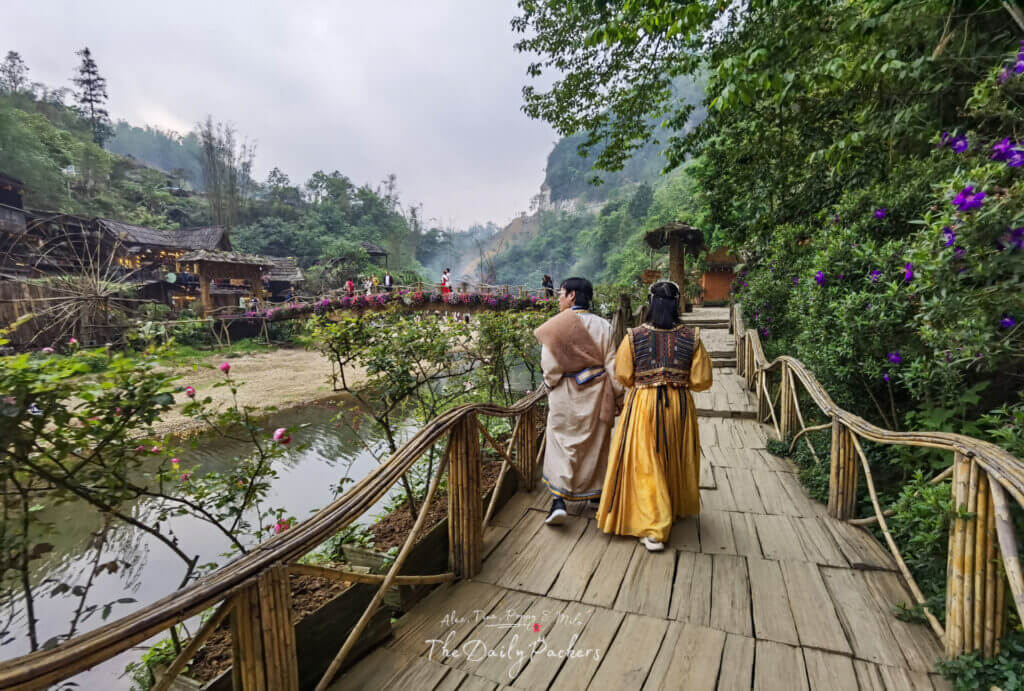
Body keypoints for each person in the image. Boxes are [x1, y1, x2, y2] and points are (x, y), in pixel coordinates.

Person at [596, 280, 713, 552]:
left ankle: (655, 528)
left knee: (646, 461)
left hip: (644, 404)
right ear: (676, 303)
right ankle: (670, 507)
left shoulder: (633, 335)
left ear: (651, 303)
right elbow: (701, 380)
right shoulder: (691, 336)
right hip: (679, 404)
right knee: (673, 454)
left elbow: (623, 375)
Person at [534, 277, 622, 525]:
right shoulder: (603, 325)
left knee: (561, 444)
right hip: (597, 393)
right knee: (594, 444)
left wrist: (550, 385)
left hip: (566, 392)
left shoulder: (555, 326)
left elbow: (550, 367)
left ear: (572, 295)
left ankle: (559, 502)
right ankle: (596, 494)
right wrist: (618, 395)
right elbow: (612, 363)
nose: (559, 298)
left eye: (561, 293)